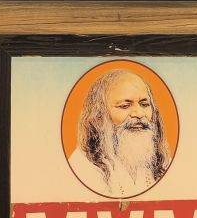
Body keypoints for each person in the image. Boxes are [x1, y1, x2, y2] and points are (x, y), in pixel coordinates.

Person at [69, 69, 171, 199]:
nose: (139, 114)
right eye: (125, 106)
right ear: (99, 116)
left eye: (144, 104)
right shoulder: (82, 165)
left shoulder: (163, 162)